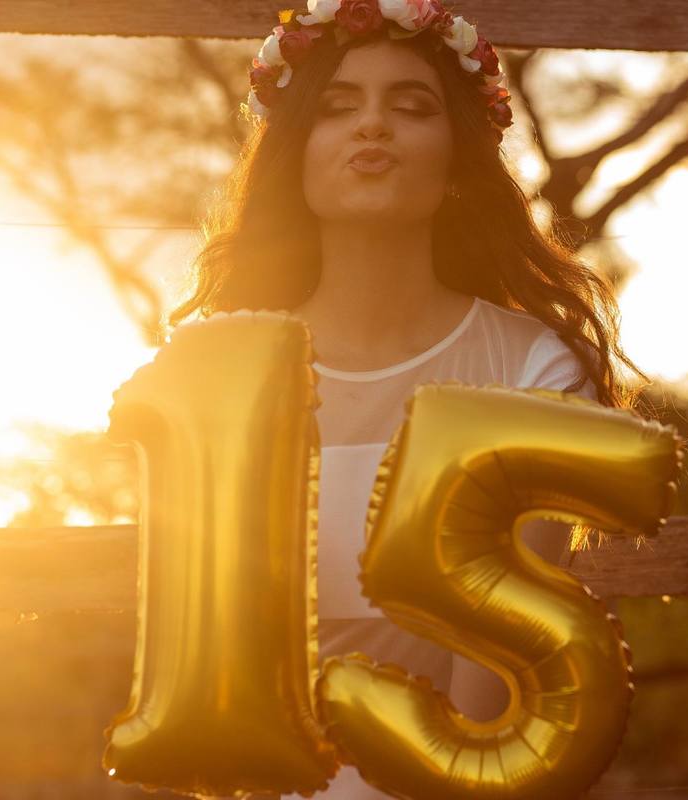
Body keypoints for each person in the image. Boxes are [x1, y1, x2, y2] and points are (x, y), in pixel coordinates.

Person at [167, 2, 651, 797]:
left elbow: (495, 680)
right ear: (295, 154)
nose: (373, 127)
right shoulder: (222, 368)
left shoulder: (532, 368)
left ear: (458, 156)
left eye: (412, 105)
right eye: (337, 106)